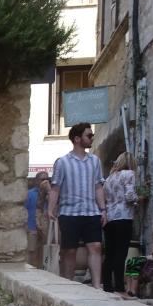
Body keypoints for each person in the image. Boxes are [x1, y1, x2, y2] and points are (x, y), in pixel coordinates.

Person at [48, 123, 107, 288]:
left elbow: (98, 186)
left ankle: (96, 287)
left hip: (91, 211)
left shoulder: (95, 161)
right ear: (77, 139)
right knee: (69, 251)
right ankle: (67, 285)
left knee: (95, 247)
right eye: (89, 135)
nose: (92, 138)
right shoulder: (62, 162)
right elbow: (55, 187)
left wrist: (103, 210)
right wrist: (50, 209)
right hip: (69, 212)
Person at [102, 152, 138, 294]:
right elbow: (129, 196)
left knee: (110, 252)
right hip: (123, 216)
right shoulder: (129, 174)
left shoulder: (109, 178)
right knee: (121, 252)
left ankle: (107, 284)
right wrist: (137, 200)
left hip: (109, 218)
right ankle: (119, 285)